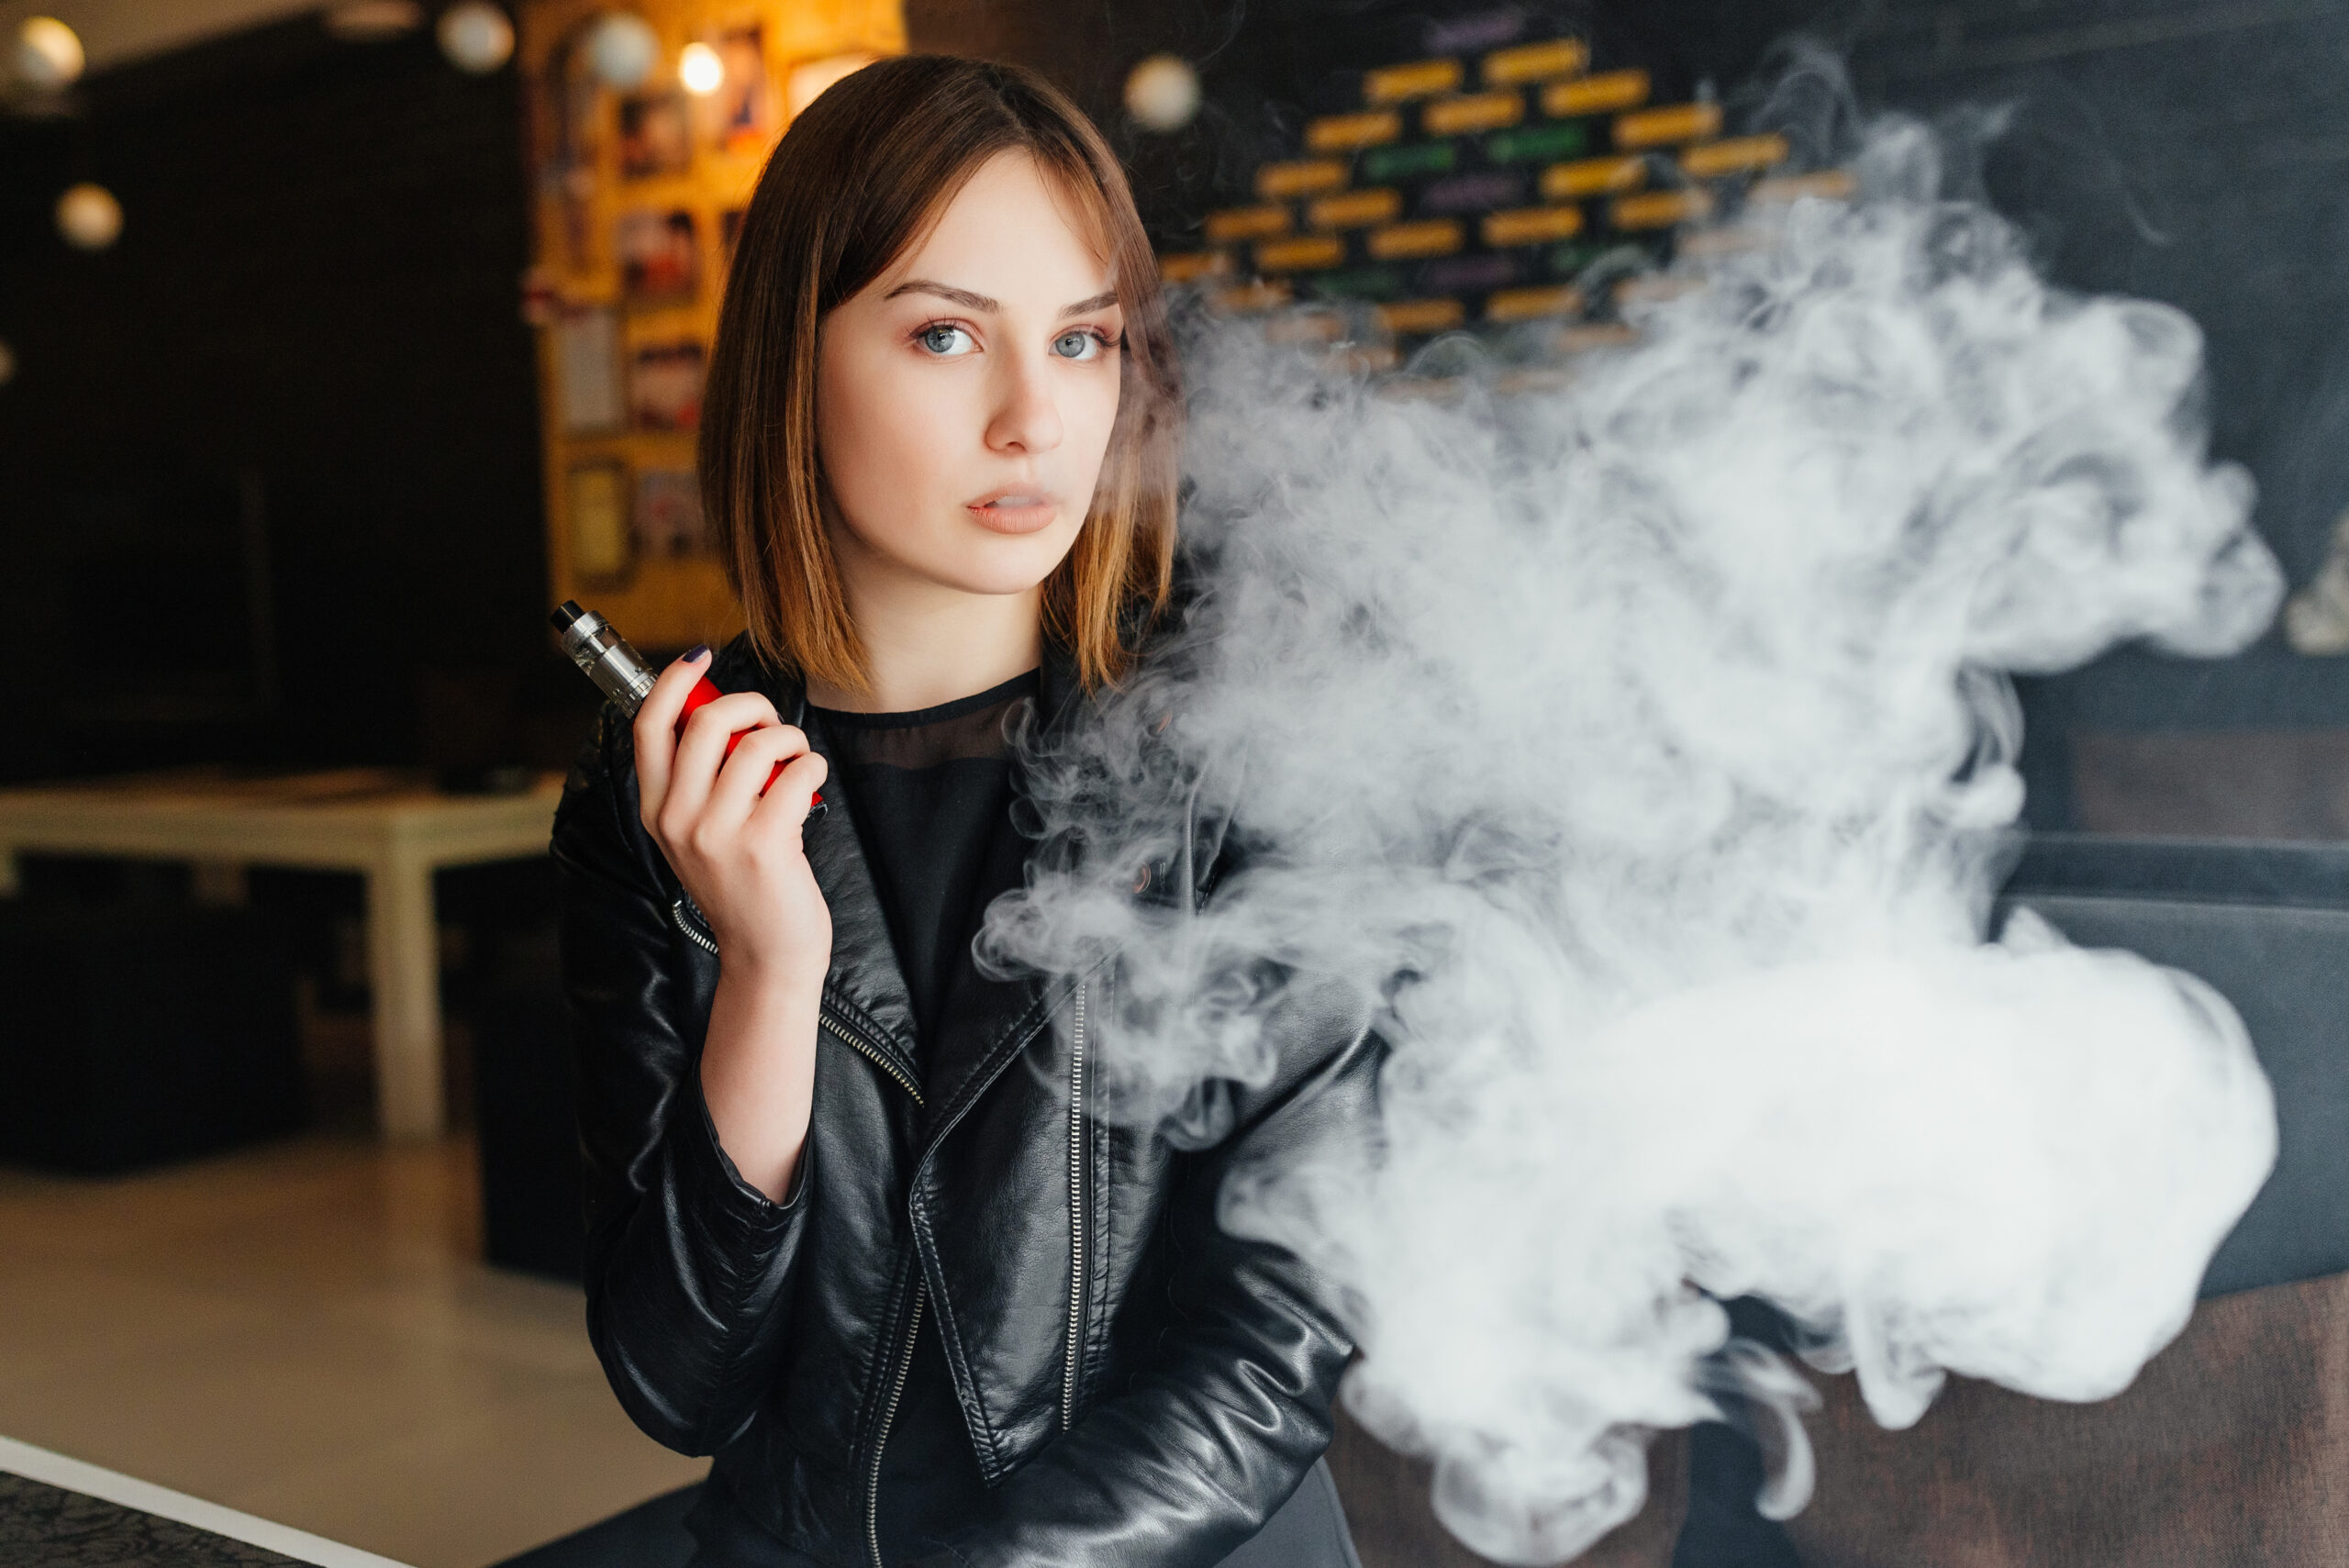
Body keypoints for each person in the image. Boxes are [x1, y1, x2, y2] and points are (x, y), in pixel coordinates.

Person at [550, 55, 1378, 1568]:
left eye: (1082, 341)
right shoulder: (657, 801)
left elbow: (1272, 1349)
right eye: (945, 334)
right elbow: (679, 1382)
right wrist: (769, 965)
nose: (1035, 419)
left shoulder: (1255, 755)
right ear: (791, 362)